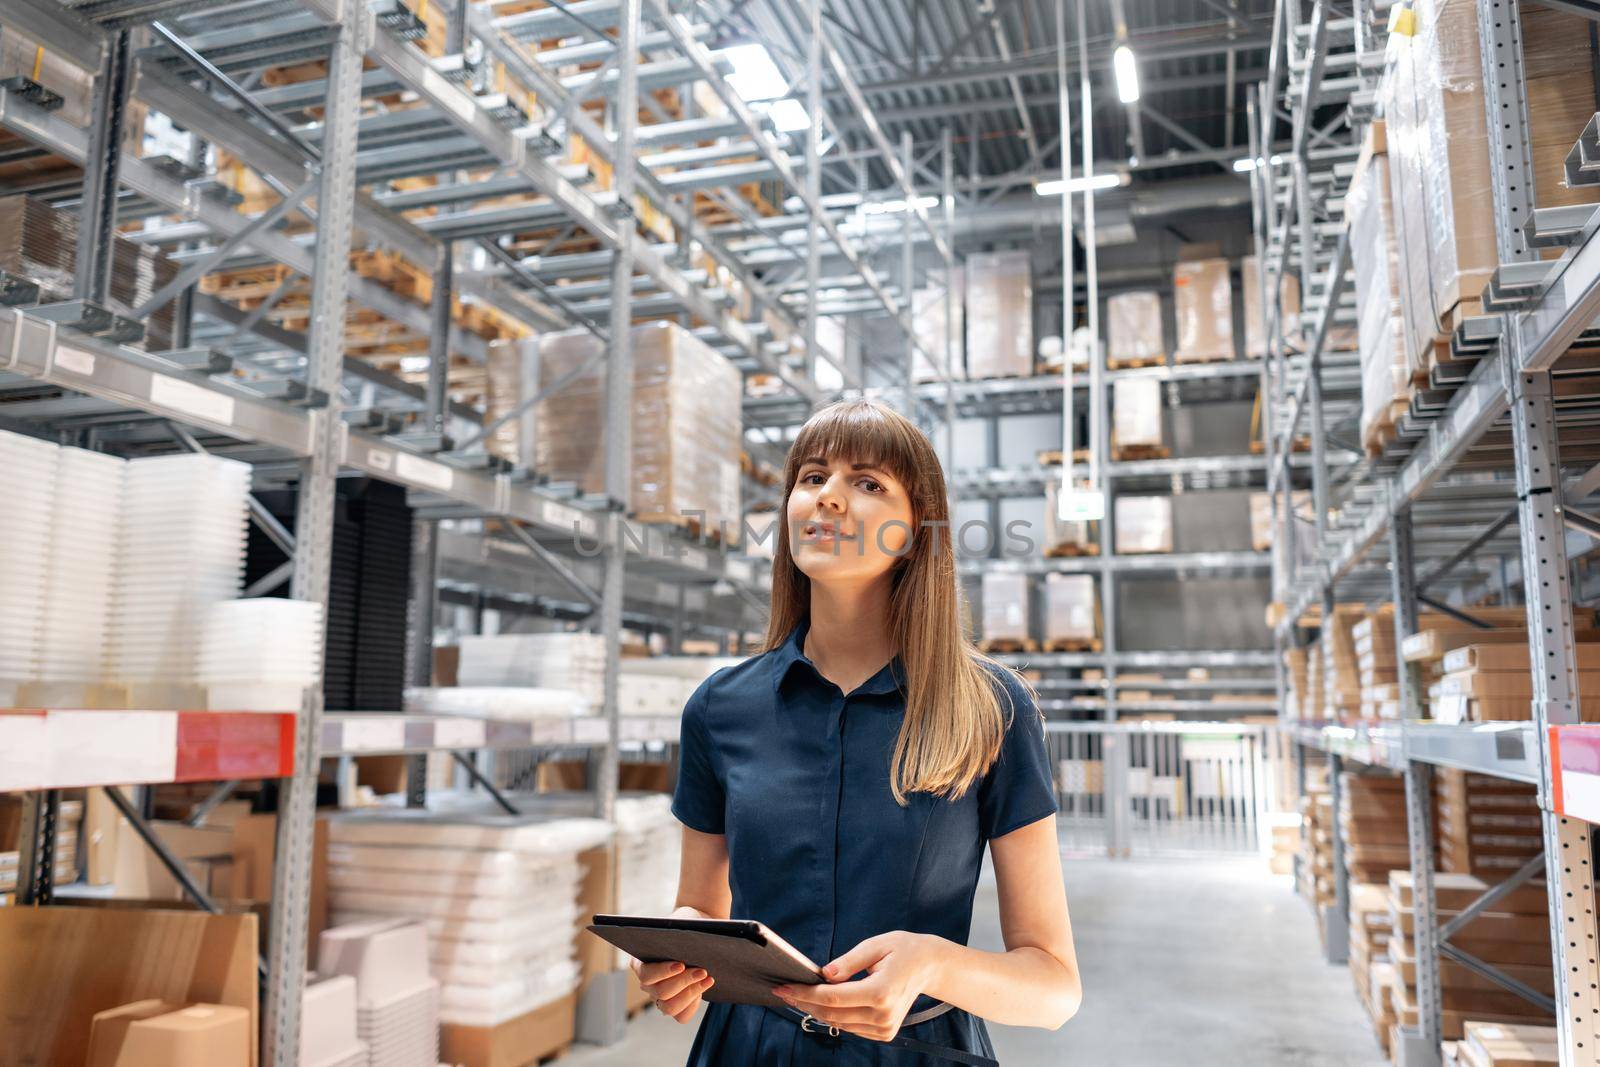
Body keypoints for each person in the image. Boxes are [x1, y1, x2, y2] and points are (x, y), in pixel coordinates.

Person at [634, 398, 1080, 1064]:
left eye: (867, 482)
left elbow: (1054, 986)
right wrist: (680, 948)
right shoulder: (718, 708)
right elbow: (699, 908)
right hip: (748, 1050)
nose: (829, 498)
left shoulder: (991, 709)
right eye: (812, 478)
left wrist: (932, 963)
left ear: (916, 530)